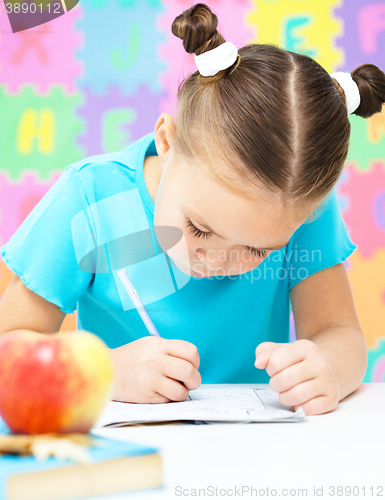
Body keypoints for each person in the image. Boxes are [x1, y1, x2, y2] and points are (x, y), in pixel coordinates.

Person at [1, 3, 384, 415]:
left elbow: (338, 333)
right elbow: (9, 345)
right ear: (167, 142)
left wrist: (327, 365)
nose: (218, 259)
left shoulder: (296, 207)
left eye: (258, 251)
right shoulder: (90, 199)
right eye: (199, 229)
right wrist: (104, 371)